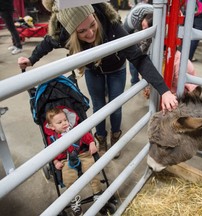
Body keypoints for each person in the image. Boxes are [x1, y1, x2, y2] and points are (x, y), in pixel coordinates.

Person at [18, 2, 178, 158]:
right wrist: (31, 59)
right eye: (81, 31)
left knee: (115, 106)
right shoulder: (63, 33)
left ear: (95, 15)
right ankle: (101, 137)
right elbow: (47, 42)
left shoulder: (111, 24)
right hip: (93, 70)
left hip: (117, 69)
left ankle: (115, 137)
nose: (90, 33)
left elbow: (138, 58)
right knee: (99, 106)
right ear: (72, 32)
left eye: (93, 24)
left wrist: (163, 90)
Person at [45, 107, 102, 216]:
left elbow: (86, 136)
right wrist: (56, 161)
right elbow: (51, 152)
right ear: (52, 126)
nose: (64, 123)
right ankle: (74, 200)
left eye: (65, 120)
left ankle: (97, 193)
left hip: (82, 154)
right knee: (68, 178)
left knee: (92, 171)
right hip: (65, 160)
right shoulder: (52, 138)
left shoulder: (75, 129)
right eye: (59, 122)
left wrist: (91, 143)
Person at [123, 3, 153, 86]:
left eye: (146, 28)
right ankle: (134, 80)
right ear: (144, 19)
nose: (144, 28)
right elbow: (124, 34)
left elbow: (148, 42)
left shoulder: (156, 18)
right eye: (144, 25)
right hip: (131, 27)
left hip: (146, 21)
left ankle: (145, 80)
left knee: (146, 53)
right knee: (134, 54)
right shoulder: (133, 19)